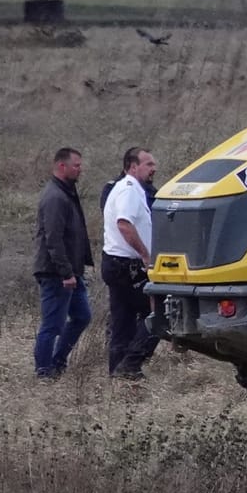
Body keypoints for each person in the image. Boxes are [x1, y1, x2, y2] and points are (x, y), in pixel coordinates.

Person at [32, 147, 93, 379]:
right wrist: (66, 272)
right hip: (56, 272)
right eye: (76, 165)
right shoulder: (55, 197)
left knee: (82, 316)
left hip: (71, 271)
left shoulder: (67, 192)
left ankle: (58, 361)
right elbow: (53, 238)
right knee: (52, 325)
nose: (80, 169)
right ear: (62, 166)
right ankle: (44, 371)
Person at [100, 146, 159, 380]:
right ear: (133, 167)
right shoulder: (129, 190)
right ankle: (131, 364)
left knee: (122, 322)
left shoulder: (125, 188)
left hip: (116, 264)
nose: (154, 168)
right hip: (127, 266)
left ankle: (118, 373)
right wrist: (145, 255)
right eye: (149, 164)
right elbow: (124, 224)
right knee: (158, 315)